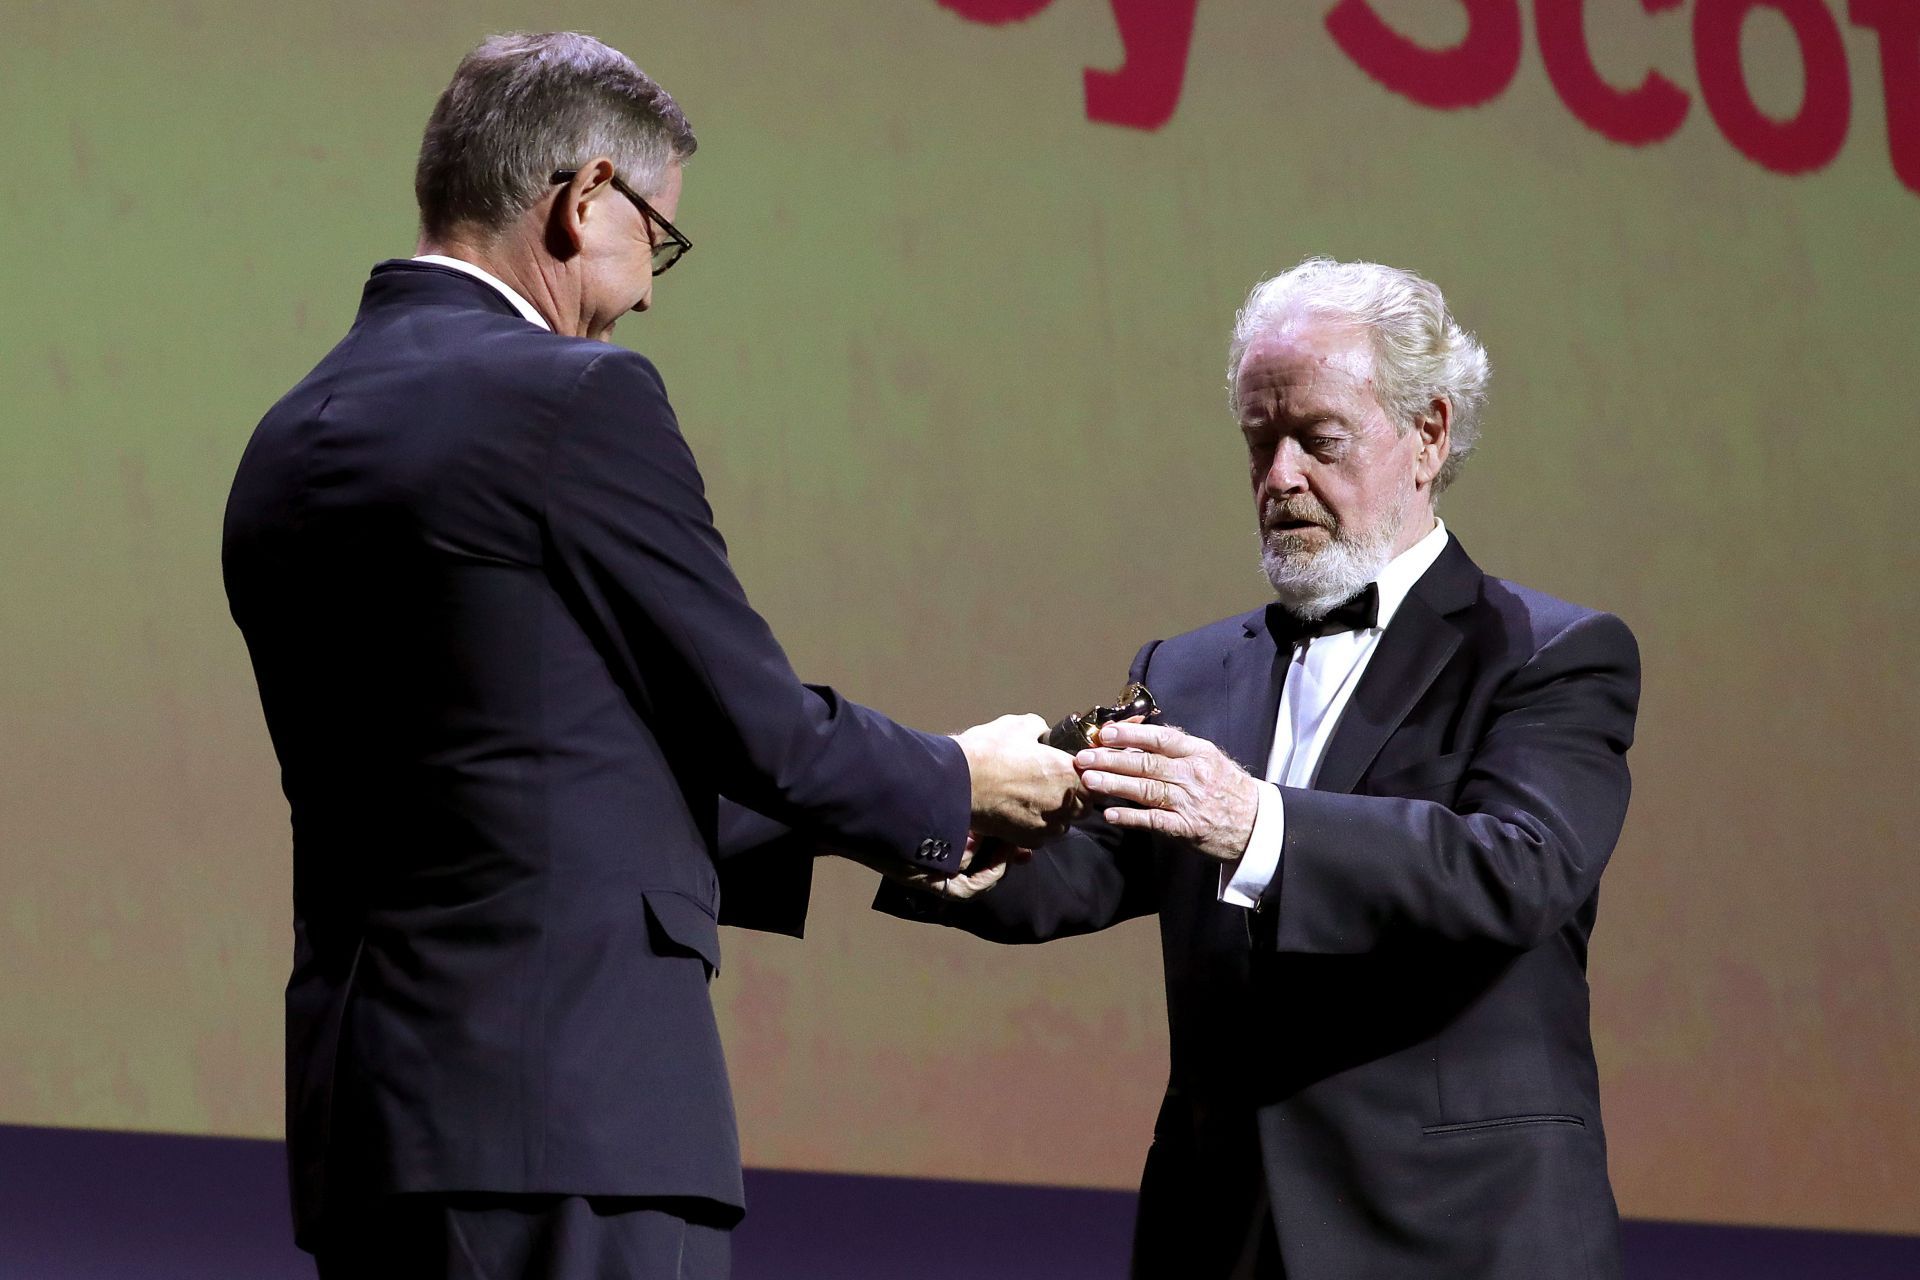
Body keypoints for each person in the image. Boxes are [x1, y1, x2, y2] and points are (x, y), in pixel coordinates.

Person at [222, 31, 1080, 1280]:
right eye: (656, 239)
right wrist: (957, 782)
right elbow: (764, 727)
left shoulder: (285, 435)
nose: (649, 291)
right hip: (577, 1123)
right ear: (582, 201)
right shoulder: (573, 399)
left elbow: (520, 772)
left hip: (373, 1134)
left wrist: (865, 837)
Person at [880, 258, 1640, 1279]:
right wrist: (932, 823)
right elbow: (1091, 861)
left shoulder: (1551, 653)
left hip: (1460, 1237)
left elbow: (1517, 869)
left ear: (1429, 434)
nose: (1279, 475)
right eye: (1258, 441)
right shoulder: (1185, 669)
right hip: (1227, 1230)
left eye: (1317, 439)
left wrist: (1256, 824)